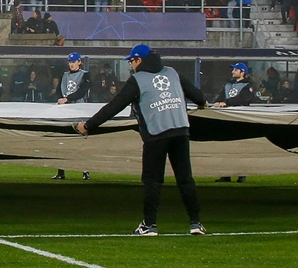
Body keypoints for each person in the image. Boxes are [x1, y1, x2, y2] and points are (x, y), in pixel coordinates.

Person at [77, 44, 209, 236]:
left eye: (132, 61)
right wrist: (203, 103)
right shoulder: (172, 73)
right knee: (185, 179)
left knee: (152, 181)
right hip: (181, 130)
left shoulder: (137, 80)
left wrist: (89, 125)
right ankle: (196, 223)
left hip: (156, 134)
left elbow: (114, 106)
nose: (131, 65)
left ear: (139, 60)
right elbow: (198, 96)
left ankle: (149, 225)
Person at [211, 62, 255, 183]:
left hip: (240, 120)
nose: (233, 72)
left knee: (240, 147)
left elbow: (243, 99)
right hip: (226, 119)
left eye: (235, 70)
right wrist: (218, 101)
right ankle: (226, 174)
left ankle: (242, 173)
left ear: (242, 72)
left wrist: (226, 102)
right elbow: (219, 96)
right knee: (225, 147)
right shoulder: (228, 84)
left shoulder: (248, 86)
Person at [52, 52, 91, 181]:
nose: (72, 64)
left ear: (79, 62)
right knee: (62, 141)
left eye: (74, 62)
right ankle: (61, 171)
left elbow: (82, 92)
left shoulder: (85, 75)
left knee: (81, 143)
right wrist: (61, 99)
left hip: (79, 111)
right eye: (70, 62)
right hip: (65, 111)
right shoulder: (64, 75)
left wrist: (67, 99)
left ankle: (85, 170)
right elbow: (59, 90)